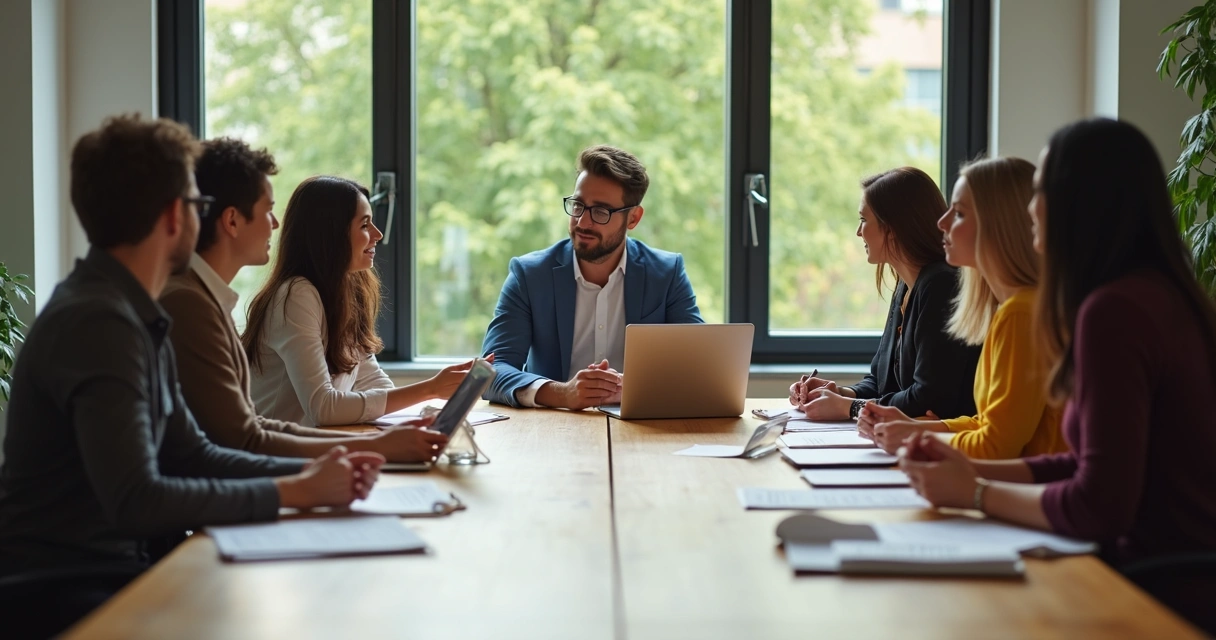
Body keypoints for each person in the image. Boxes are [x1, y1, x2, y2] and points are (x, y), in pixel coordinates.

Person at [0, 115, 382, 634]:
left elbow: (193, 451)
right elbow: (138, 499)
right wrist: (294, 492)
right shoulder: (99, 322)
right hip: (72, 589)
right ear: (174, 217)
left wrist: (306, 478)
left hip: (115, 568)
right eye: (196, 203)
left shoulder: (134, 311)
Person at [901, 118, 1216, 570]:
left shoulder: (1113, 312)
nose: (1031, 209)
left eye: (1042, 191)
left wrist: (974, 492)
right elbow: (1081, 464)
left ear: (1079, 204)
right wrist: (963, 469)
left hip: (1153, 580)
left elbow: (1099, 505)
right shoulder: (1162, 293)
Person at [160, 138, 447, 461]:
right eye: (268, 210)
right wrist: (373, 445)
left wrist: (398, 430)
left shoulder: (211, 299)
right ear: (231, 221)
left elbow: (252, 428)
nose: (276, 224)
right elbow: (249, 438)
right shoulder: (193, 304)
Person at [859, 158, 1065, 458]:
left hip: (1036, 490)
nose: (941, 222)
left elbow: (997, 445)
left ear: (996, 226)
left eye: (958, 213)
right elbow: (986, 422)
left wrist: (916, 440)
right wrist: (918, 428)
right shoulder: (1007, 309)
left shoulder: (1019, 314)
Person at [243, 175, 478, 426]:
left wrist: (420, 417)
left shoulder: (346, 289)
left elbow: (372, 381)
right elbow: (323, 407)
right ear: (330, 234)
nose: (377, 234)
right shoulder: (296, 296)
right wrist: (429, 389)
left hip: (320, 447)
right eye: (365, 225)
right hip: (280, 456)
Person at [481, 145, 703, 409]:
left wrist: (632, 389)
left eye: (601, 211)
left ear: (633, 218)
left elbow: (698, 367)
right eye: (578, 205)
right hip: (552, 427)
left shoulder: (666, 273)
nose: (583, 222)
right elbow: (490, 373)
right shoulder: (529, 275)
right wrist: (564, 393)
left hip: (640, 428)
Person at [788, 168, 980, 421]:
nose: (858, 232)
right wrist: (839, 392)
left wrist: (850, 407)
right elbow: (881, 383)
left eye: (864, 220)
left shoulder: (941, 285)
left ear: (893, 228)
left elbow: (930, 398)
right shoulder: (905, 285)